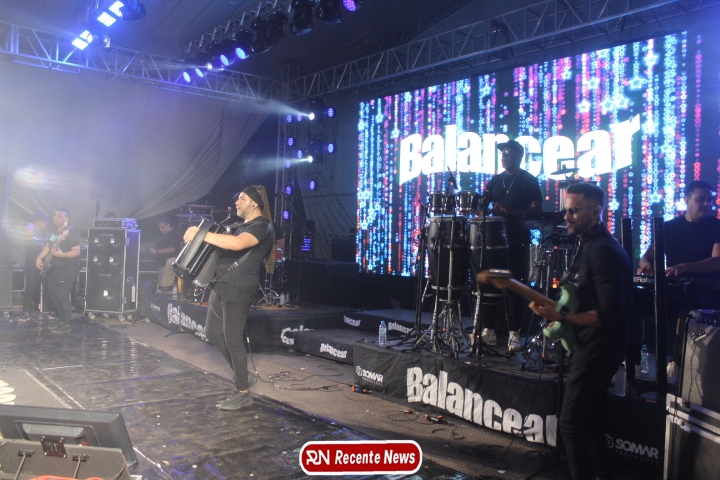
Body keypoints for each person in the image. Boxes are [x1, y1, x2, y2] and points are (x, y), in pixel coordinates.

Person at [529, 182, 631, 480]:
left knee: (571, 424)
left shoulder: (604, 251)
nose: (566, 216)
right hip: (595, 345)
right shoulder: (591, 245)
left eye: (573, 210)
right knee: (590, 420)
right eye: (566, 210)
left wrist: (561, 316)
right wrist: (556, 311)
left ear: (595, 212)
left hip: (599, 348)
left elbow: (609, 314)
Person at [183, 185, 275, 411]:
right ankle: (243, 376)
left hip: (239, 287)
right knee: (213, 333)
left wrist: (200, 234)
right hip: (221, 285)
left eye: (242, 198)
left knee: (233, 339)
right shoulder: (239, 226)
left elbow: (237, 244)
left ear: (254, 203)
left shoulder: (262, 226)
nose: (236, 202)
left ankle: (242, 393)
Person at [637, 180, 720, 373]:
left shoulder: (716, 226)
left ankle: (679, 363)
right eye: (701, 199)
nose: (707, 204)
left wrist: (685, 267)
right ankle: (634, 362)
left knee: (686, 311)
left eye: (710, 200)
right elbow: (646, 258)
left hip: (706, 291)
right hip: (673, 288)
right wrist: (647, 266)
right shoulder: (669, 227)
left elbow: (717, 261)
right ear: (687, 199)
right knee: (634, 301)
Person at [481, 139, 543, 351]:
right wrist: (484, 209)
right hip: (494, 239)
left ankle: (514, 333)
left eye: (508, 153)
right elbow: (484, 204)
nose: (504, 157)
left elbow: (536, 210)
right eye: (502, 153)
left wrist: (510, 212)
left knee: (514, 285)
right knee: (490, 283)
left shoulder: (528, 180)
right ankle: (488, 330)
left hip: (518, 239)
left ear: (518, 155)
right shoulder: (495, 181)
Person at [35, 209, 82, 333]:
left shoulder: (71, 233)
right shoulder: (54, 233)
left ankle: (66, 324)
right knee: (52, 294)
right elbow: (48, 246)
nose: (55, 218)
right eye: (55, 215)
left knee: (62, 296)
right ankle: (62, 320)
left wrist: (62, 255)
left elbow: (76, 251)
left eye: (59, 216)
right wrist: (39, 257)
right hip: (54, 268)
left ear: (66, 219)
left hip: (68, 268)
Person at [22, 212, 48, 317]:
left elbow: (51, 242)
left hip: (44, 264)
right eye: (44, 222)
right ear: (38, 222)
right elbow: (25, 240)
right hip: (32, 265)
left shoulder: (47, 233)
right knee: (31, 287)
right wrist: (31, 226)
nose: (46, 224)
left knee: (43, 288)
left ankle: (42, 308)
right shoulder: (30, 230)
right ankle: (26, 311)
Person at [148, 219, 182, 293]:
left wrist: (156, 251)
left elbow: (172, 249)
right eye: (159, 228)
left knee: (165, 285)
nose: (160, 229)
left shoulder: (174, 235)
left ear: (168, 225)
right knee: (161, 282)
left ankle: (167, 293)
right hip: (162, 262)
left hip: (170, 261)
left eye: (162, 227)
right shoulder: (161, 235)